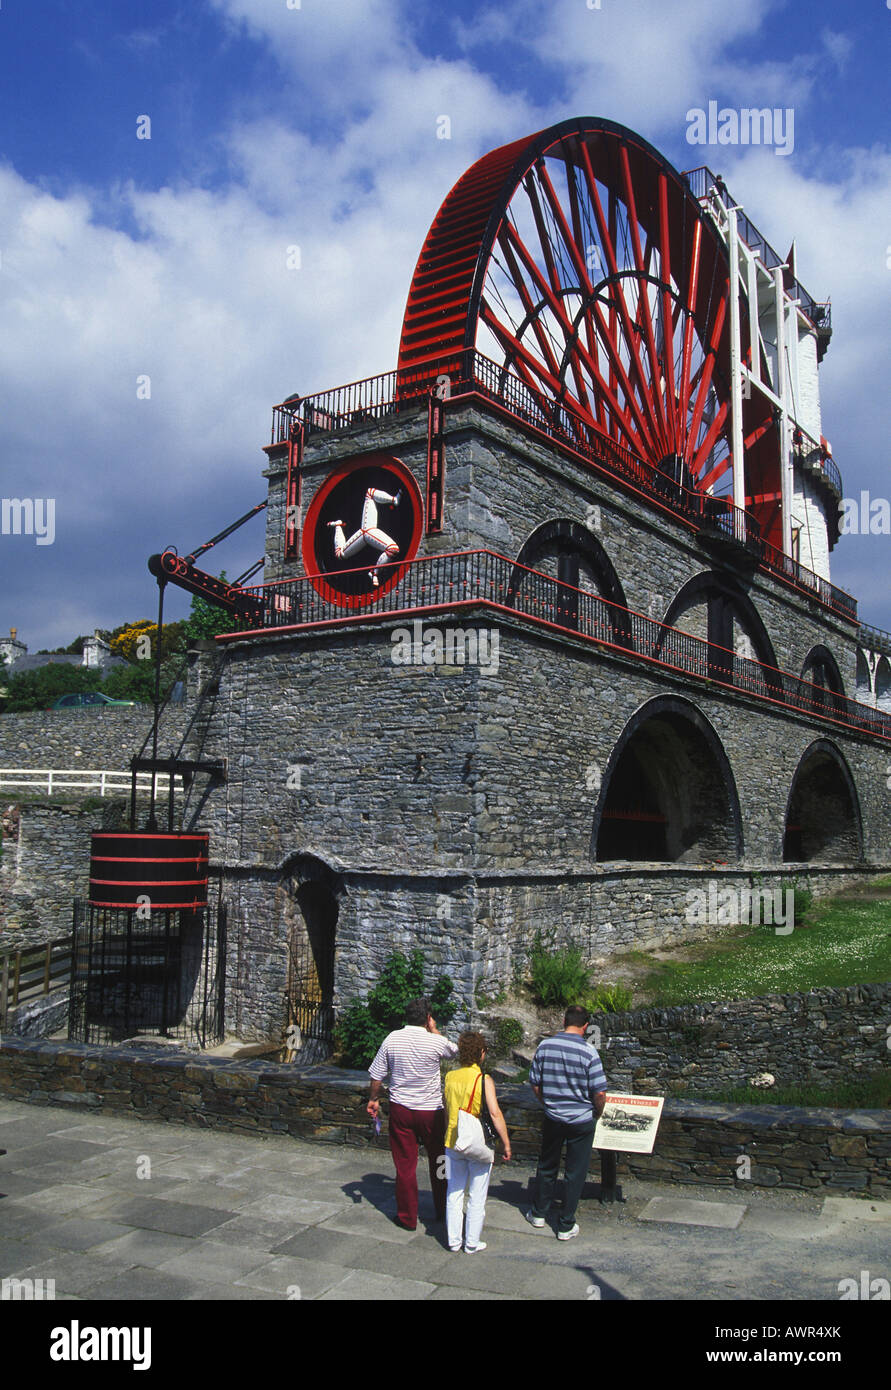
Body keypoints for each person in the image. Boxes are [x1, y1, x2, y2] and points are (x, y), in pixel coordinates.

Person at [367, 996, 457, 1230]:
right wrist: (435, 1030)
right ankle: (444, 1207)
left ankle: (407, 1217)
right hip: (431, 1112)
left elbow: (376, 1075)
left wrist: (373, 1099)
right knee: (439, 1159)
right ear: (427, 1018)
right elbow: (454, 1052)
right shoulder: (435, 1042)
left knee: (405, 1165)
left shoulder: (392, 1038)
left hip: (402, 1110)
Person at [525, 1003, 607, 1240]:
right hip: (581, 1119)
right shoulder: (589, 1053)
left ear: (564, 1022)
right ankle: (565, 1224)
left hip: (553, 1116)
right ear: (586, 1026)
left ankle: (539, 1212)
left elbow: (535, 1083)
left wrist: (547, 1103)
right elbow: (599, 1093)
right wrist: (597, 1113)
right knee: (575, 1171)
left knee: (547, 1164)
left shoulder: (545, 1046)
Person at [442, 1032, 511, 1254]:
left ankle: (453, 1241)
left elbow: (446, 1111)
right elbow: (494, 1112)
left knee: (454, 1191)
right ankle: (471, 1242)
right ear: (481, 1053)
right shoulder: (484, 1080)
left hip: (453, 1140)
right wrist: (505, 1143)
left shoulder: (450, 1077)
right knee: (477, 1194)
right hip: (477, 1142)